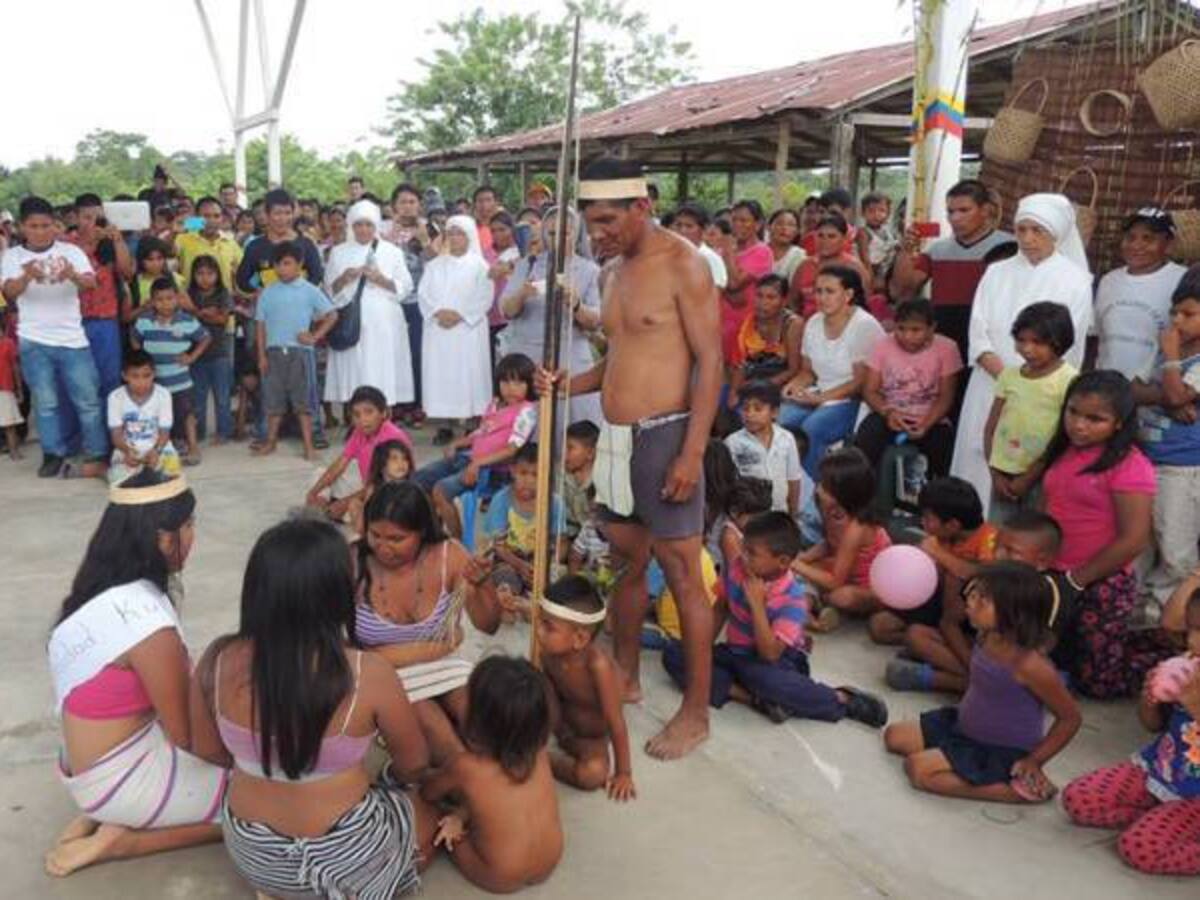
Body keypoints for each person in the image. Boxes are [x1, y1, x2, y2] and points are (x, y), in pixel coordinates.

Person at [544, 158, 722, 759]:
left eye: (606, 222)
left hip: (667, 435)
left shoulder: (684, 265)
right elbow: (621, 356)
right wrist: (570, 382)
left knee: (681, 576)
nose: (596, 236)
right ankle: (625, 675)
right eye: (590, 224)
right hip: (615, 441)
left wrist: (692, 452)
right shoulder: (610, 272)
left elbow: (710, 364)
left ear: (641, 206)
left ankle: (695, 713)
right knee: (625, 560)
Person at [189, 518, 436, 898]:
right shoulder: (366, 672)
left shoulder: (219, 658)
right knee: (427, 816)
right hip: (347, 857)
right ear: (334, 595)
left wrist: (260, 757)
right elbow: (414, 763)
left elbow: (207, 749)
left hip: (255, 856)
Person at [44, 472, 226, 877]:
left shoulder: (96, 591)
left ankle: (106, 813)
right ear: (162, 538)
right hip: (117, 776)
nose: (193, 536)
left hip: (84, 763)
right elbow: (188, 737)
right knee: (263, 801)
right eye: (189, 526)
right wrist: (245, 760)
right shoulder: (148, 625)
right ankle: (125, 841)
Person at [666, 511, 888, 727]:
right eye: (744, 549)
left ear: (782, 562)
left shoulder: (793, 599)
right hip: (736, 654)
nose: (743, 557)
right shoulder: (738, 569)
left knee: (769, 681)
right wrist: (702, 651)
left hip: (778, 661)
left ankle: (841, 699)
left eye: (752, 553)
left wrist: (757, 606)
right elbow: (721, 609)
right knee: (677, 654)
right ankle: (753, 698)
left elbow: (770, 654)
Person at [883, 562, 1082, 803]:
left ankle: (1015, 789)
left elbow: (1070, 718)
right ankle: (959, 761)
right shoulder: (986, 634)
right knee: (894, 736)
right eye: (973, 594)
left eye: (982, 600)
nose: (971, 602)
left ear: (1014, 614)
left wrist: (1034, 760)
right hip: (963, 726)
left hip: (999, 749)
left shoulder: (1031, 665)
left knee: (918, 769)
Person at [950, 194, 1094, 514]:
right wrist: (1008, 378)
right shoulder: (996, 272)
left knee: (1026, 467)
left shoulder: (1075, 281)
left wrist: (1027, 384)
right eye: (1022, 229)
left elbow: (1071, 345)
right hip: (989, 383)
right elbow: (978, 332)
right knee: (978, 456)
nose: (1027, 238)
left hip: (1043, 395)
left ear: (1056, 233)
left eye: (1037, 230)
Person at [1043, 370, 1173, 698]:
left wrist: (1076, 579)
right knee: (1054, 657)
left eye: (1094, 419)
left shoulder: (1130, 465)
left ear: (1118, 423)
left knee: (1098, 683)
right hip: (1056, 573)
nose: (1079, 425)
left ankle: (1174, 659)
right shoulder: (1066, 450)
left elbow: (1134, 539)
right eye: (1073, 412)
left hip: (1102, 582)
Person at [356, 482, 502, 762]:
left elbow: (488, 625)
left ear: (422, 531)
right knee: (448, 746)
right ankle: (468, 786)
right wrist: (437, 647)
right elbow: (344, 653)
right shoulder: (353, 561)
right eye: (375, 535)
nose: (383, 548)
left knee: (483, 729)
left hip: (445, 667)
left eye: (396, 539)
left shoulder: (450, 555)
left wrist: (483, 586)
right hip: (383, 676)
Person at [1062, 588, 1200, 875]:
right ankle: (1163, 818)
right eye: (1193, 630)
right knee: (1079, 799)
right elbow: (1153, 726)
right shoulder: (1190, 668)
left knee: (1140, 848)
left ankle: (1169, 825)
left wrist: (1194, 705)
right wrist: (1149, 700)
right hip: (1161, 773)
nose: (1194, 642)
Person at [420, 656, 563, 892]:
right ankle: (464, 815)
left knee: (437, 819)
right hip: (550, 860)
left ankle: (459, 821)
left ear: (477, 721)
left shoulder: (466, 766)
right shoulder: (537, 751)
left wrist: (456, 813)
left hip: (499, 876)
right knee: (485, 801)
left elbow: (428, 792)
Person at [1, 196, 107, 478]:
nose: (40, 231)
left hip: (72, 339)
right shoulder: (12, 257)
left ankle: (97, 452)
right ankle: (52, 454)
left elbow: (91, 283)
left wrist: (72, 274)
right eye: (33, 226)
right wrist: (26, 277)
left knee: (88, 401)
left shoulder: (71, 252)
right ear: (22, 227)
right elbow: (9, 293)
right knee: (46, 403)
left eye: (46, 225)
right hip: (33, 339)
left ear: (55, 225)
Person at [235, 188, 329, 448]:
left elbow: (317, 276)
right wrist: (258, 291)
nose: (282, 218)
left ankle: (314, 431)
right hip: (266, 322)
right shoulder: (256, 246)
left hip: (299, 323)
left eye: (287, 212)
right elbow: (242, 279)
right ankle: (267, 430)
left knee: (306, 376)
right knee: (269, 375)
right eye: (277, 213)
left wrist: (296, 294)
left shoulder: (305, 244)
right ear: (266, 215)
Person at [888, 477, 1000, 689]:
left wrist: (939, 554)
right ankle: (958, 670)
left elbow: (981, 572)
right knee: (883, 627)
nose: (923, 523)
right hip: (941, 614)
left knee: (953, 579)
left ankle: (967, 679)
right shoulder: (942, 537)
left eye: (928, 518)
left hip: (973, 627)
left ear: (953, 525)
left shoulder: (989, 538)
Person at [413, 352, 538, 538]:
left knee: (440, 491)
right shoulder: (496, 403)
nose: (511, 388)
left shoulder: (526, 411)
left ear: (529, 385)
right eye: (506, 382)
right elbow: (482, 431)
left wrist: (478, 463)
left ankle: (456, 543)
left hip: (491, 469)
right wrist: (457, 443)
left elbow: (512, 449)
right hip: (469, 458)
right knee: (419, 479)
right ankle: (432, 531)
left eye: (519, 383)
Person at [889, 179, 1015, 364]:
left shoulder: (1009, 246)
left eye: (964, 210)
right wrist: (906, 251)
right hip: (945, 342)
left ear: (985, 210)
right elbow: (902, 290)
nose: (955, 218)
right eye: (950, 211)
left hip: (992, 341)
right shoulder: (937, 250)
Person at [1134, 266, 1200, 612]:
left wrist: (1172, 358)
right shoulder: (1161, 351)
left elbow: (1176, 396)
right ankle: (1139, 611)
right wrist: (1170, 398)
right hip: (1147, 461)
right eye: (1175, 312)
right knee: (1142, 540)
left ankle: (1173, 618)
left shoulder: (1176, 352)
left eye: (1189, 314)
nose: (1177, 321)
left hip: (1184, 468)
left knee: (1176, 546)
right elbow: (1133, 388)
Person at [535, 575, 636, 800]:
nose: (538, 632)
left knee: (593, 774)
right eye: (540, 623)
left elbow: (616, 723)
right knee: (528, 682)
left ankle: (544, 761)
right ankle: (535, 747)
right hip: (561, 727)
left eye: (547, 627)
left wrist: (623, 773)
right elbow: (548, 695)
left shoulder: (598, 667)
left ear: (580, 638)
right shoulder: (550, 654)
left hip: (590, 740)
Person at [500, 206, 602, 424]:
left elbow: (596, 321)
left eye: (565, 233)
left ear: (576, 235)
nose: (558, 239)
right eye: (552, 233)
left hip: (570, 356)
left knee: (572, 423)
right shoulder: (528, 264)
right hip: (528, 356)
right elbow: (506, 310)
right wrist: (522, 294)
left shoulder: (590, 270)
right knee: (526, 423)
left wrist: (576, 305)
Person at [780, 265, 884, 476]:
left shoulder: (864, 325)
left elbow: (860, 383)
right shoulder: (814, 322)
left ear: (848, 295)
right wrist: (793, 387)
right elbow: (808, 372)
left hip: (855, 400)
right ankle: (786, 490)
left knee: (812, 429)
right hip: (820, 393)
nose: (822, 297)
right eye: (818, 291)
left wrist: (820, 399)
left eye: (829, 291)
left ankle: (816, 495)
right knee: (783, 421)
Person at [983, 301, 1077, 521]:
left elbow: (1062, 437)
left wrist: (1029, 477)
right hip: (1003, 475)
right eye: (1021, 340)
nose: (1027, 349)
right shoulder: (1009, 376)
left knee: (1034, 538)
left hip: (1042, 477)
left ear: (1059, 342)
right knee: (999, 538)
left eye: (1038, 342)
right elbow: (991, 427)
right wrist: (994, 473)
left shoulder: (1069, 380)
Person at [323, 199, 415, 411]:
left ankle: (384, 420)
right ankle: (355, 421)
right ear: (351, 226)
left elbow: (406, 286)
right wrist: (344, 278)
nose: (363, 229)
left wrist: (381, 279)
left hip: (384, 322)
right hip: (351, 321)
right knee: (353, 369)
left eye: (368, 224)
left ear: (375, 226)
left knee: (381, 370)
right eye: (358, 225)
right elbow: (329, 290)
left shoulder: (391, 251)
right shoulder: (339, 252)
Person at [855, 298, 961, 477]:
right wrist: (888, 413)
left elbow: (946, 396)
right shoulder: (883, 346)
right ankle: (863, 497)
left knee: (943, 449)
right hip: (890, 414)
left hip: (931, 418)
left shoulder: (947, 348)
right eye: (901, 329)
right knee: (866, 442)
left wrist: (926, 424)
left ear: (931, 328)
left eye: (916, 330)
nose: (907, 336)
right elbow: (870, 390)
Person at [252, 242, 338, 459]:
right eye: (278, 265)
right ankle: (270, 441)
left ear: (299, 264)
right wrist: (261, 355)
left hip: (301, 353)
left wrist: (314, 337)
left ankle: (308, 446)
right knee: (273, 401)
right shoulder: (267, 293)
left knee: (304, 403)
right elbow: (260, 326)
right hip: (273, 354)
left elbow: (332, 315)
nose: (282, 269)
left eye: (287, 264)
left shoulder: (310, 290)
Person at [792, 448, 891, 626]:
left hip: (869, 586)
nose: (818, 488)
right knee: (802, 572)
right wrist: (804, 558)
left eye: (824, 486)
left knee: (842, 596)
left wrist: (796, 564)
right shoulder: (830, 508)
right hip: (844, 570)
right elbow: (830, 543)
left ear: (844, 492)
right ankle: (811, 608)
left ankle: (826, 603)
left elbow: (835, 582)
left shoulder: (857, 527)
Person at [419, 215, 494, 446]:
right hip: (438, 329)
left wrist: (461, 315)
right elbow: (424, 294)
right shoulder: (434, 266)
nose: (454, 237)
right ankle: (444, 425)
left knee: (469, 374)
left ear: (469, 236)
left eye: (459, 233)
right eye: (450, 233)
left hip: (468, 331)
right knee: (441, 375)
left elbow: (485, 296)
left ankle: (472, 424)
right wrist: (438, 313)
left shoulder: (481, 266)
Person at [130, 277, 210, 467]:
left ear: (177, 298)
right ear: (152, 301)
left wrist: (192, 357)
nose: (165, 303)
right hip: (154, 383)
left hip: (180, 380)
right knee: (157, 416)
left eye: (169, 298)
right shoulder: (144, 321)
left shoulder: (187, 321)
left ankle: (193, 447)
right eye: (159, 299)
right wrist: (142, 362)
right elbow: (134, 337)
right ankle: (159, 449)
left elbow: (206, 337)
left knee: (186, 414)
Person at [1095, 208, 1186, 374]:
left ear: (1168, 244)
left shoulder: (1182, 280)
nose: (1136, 245)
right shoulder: (1108, 281)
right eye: (1130, 237)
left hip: (1155, 390)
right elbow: (1099, 337)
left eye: (1148, 238)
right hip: (1107, 387)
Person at [306, 384, 414, 520]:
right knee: (320, 474)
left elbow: (382, 485)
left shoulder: (393, 438)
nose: (363, 420)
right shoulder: (359, 432)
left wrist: (345, 502)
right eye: (357, 415)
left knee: (355, 508)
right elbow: (340, 464)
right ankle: (323, 508)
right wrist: (314, 492)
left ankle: (330, 511)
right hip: (365, 487)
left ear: (384, 413)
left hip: (387, 495)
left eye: (369, 412)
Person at [482, 442, 567, 605]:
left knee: (557, 578)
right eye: (523, 473)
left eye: (536, 474)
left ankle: (531, 601)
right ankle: (514, 599)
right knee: (504, 577)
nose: (529, 480)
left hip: (541, 559)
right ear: (513, 471)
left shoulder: (555, 503)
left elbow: (561, 543)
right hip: (509, 559)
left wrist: (546, 564)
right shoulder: (501, 500)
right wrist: (519, 565)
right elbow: (498, 546)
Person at [67, 194, 133, 401]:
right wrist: (92, 240)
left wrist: (118, 239)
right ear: (75, 218)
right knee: (78, 381)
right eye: (87, 217)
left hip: (106, 320)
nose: (93, 223)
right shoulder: (66, 244)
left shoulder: (110, 241)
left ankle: (109, 430)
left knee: (110, 379)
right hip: (72, 322)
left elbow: (127, 272)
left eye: (98, 217)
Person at [386, 183, 435, 428]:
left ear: (420, 205)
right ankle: (395, 404)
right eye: (403, 201)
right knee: (393, 352)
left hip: (420, 301)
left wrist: (425, 239)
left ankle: (417, 404)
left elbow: (437, 263)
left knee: (417, 352)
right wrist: (390, 237)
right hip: (392, 301)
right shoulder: (383, 230)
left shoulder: (430, 228)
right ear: (394, 205)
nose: (407, 206)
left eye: (412, 201)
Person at [724, 380, 804, 516]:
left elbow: (793, 479)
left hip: (780, 513)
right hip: (748, 515)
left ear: (774, 412)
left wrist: (793, 513)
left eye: (758, 408)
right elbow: (728, 484)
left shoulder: (787, 439)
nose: (750, 414)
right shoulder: (732, 443)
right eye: (745, 408)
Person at [726, 274, 804, 409]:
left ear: (784, 301)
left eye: (771, 297)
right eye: (759, 296)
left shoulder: (792, 324)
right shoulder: (749, 323)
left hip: (782, 383)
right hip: (752, 380)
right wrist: (734, 392)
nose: (763, 302)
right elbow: (741, 365)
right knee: (723, 400)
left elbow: (793, 369)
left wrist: (760, 387)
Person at [107, 350, 180, 484]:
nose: (141, 382)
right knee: (118, 481)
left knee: (172, 475)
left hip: (158, 446)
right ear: (124, 376)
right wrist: (127, 451)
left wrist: (156, 451)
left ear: (154, 374)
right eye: (135, 376)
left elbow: (164, 432)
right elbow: (116, 434)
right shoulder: (115, 397)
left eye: (147, 376)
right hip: (128, 448)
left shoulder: (163, 394)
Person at [717, 200, 774, 364]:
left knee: (739, 372)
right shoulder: (726, 250)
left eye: (743, 220)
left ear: (757, 224)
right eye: (734, 220)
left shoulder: (762, 252)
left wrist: (727, 252)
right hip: (721, 322)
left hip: (745, 325)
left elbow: (734, 284)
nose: (737, 225)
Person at [186, 255, 235, 444]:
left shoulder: (223, 293)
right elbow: (186, 319)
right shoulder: (189, 293)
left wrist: (196, 312)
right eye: (200, 273)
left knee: (222, 397)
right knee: (198, 398)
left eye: (210, 273)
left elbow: (223, 319)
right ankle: (198, 433)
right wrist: (205, 314)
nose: (205, 278)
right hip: (195, 354)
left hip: (219, 353)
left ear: (217, 274)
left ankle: (224, 432)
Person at [788, 214, 872, 317]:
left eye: (831, 236)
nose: (825, 241)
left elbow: (864, 304)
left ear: (844, 238)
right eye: (820, 235)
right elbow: (793, 302)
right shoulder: (805, 265)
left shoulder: (854, 267)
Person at [174, 195, 243, 289]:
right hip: (190, 301)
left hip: (223, 301)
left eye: (216, 216)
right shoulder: (182, 239)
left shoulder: (230, 243)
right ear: (196, 217)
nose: (211, 221)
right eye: (206, 216)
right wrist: (173, 232)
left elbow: (243, 272)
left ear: (222, 218)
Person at [671, 203, 727, 289]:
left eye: (689, 226)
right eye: (678, 225)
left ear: (703, 230)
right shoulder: (668, 255)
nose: (682, 230)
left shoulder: (710, 259)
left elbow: (715, 295)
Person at [563, 419, 599, 539]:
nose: (564, 453)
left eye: (570, 448)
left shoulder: (601, 481)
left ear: (590, 453)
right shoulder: (560, 477)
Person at [857, 191, 898, 293]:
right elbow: (865, 259)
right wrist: (871, 280)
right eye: (871, 211)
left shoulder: (889, 232)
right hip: (873, 270)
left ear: (888, 214)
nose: (876, 215)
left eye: (881, 211)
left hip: (888, 269)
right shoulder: (864, 233)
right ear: (862, 213)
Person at [0, 314, 23, 459]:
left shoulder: (8, 343)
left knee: (9, 424)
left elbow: (15, 367)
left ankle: (14, 451)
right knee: (9, 424)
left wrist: (19, 388)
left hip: (5, 388)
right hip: (6, 388)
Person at [767, 208, 805, 282]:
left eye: (791, 225)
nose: (784, 228)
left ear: (797, 231)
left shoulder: (799, 255)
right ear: (769, 226)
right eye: (779, 223)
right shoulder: (758, 251)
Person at [473, 185, 499, 255]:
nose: (484, 205)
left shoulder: (505, 228)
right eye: (480, 201)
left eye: (488, 200)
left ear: (496, 203)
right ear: (475, 204)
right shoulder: (470, 228)